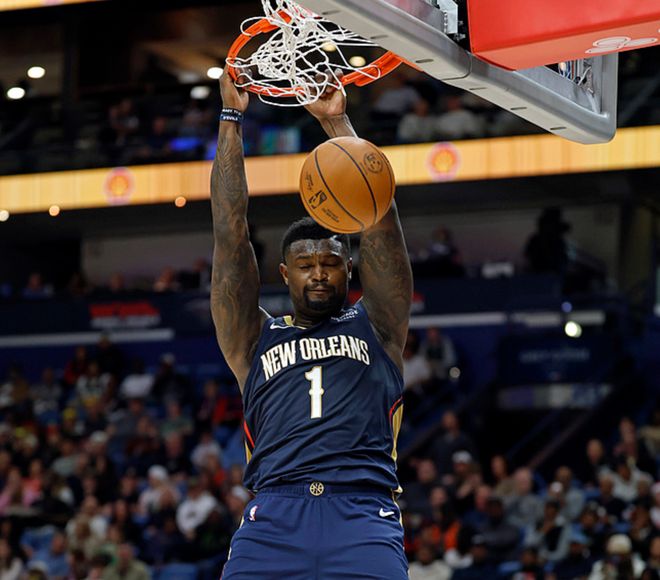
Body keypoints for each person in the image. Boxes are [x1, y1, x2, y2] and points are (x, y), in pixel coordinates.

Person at [213, 72, 412, 578]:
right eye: (306, 265)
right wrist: (231, 119)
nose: (320, 273)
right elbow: (230, 234)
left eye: (331, 262)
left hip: (363, 515)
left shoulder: (378, 326)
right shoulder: (253, 339)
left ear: (350, 269)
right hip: (273, 517)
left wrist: (337, 124)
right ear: (286, 273)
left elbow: (379, 216)